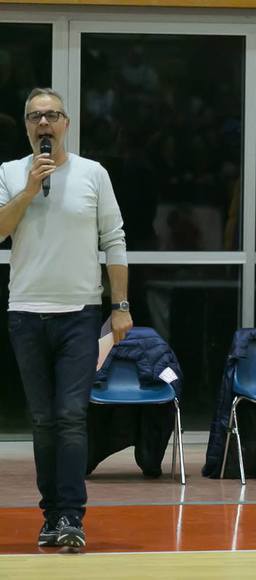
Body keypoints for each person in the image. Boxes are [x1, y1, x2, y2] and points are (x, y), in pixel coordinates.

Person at [0, 88, 132, 549]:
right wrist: (29, 189)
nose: (44, 123)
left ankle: (72, 516)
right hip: (26, 312)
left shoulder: (93, 173)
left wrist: (120, 306)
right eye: (35, 116)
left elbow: (114, 239)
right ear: (26, 125)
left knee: (71, 416)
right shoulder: (10, 172)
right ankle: (50, 515)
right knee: (43, 420)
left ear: (66, 123)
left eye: (52, 115)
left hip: (80, 313)